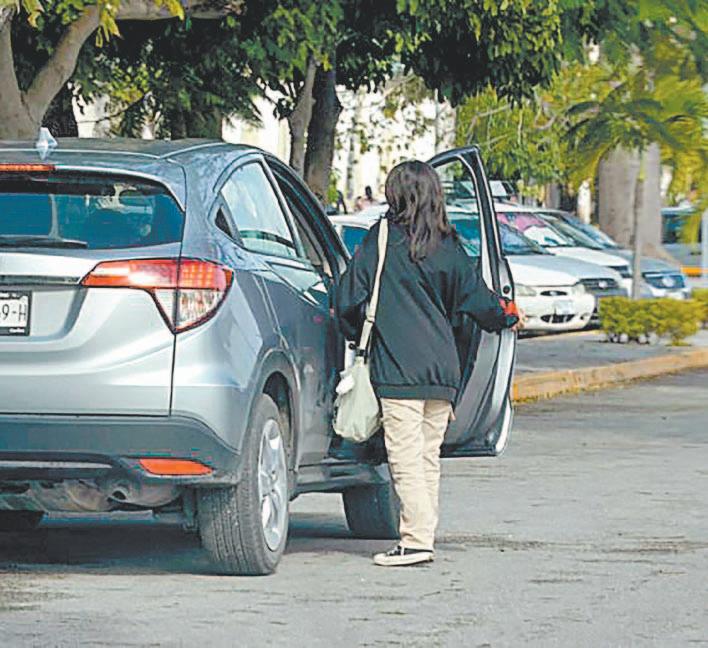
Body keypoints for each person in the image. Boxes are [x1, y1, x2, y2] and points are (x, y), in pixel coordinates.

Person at [336, 160, 520, 567]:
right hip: (443, 371)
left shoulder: (383, 238)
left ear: (395, 195)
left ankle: (416, 542)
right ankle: (423, 537)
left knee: (405, 459)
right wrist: (507, 316)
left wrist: (354, 333)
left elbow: (348, 296)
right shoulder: (449, 245)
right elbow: (479, 301)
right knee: (426, 459)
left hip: (399, 369)